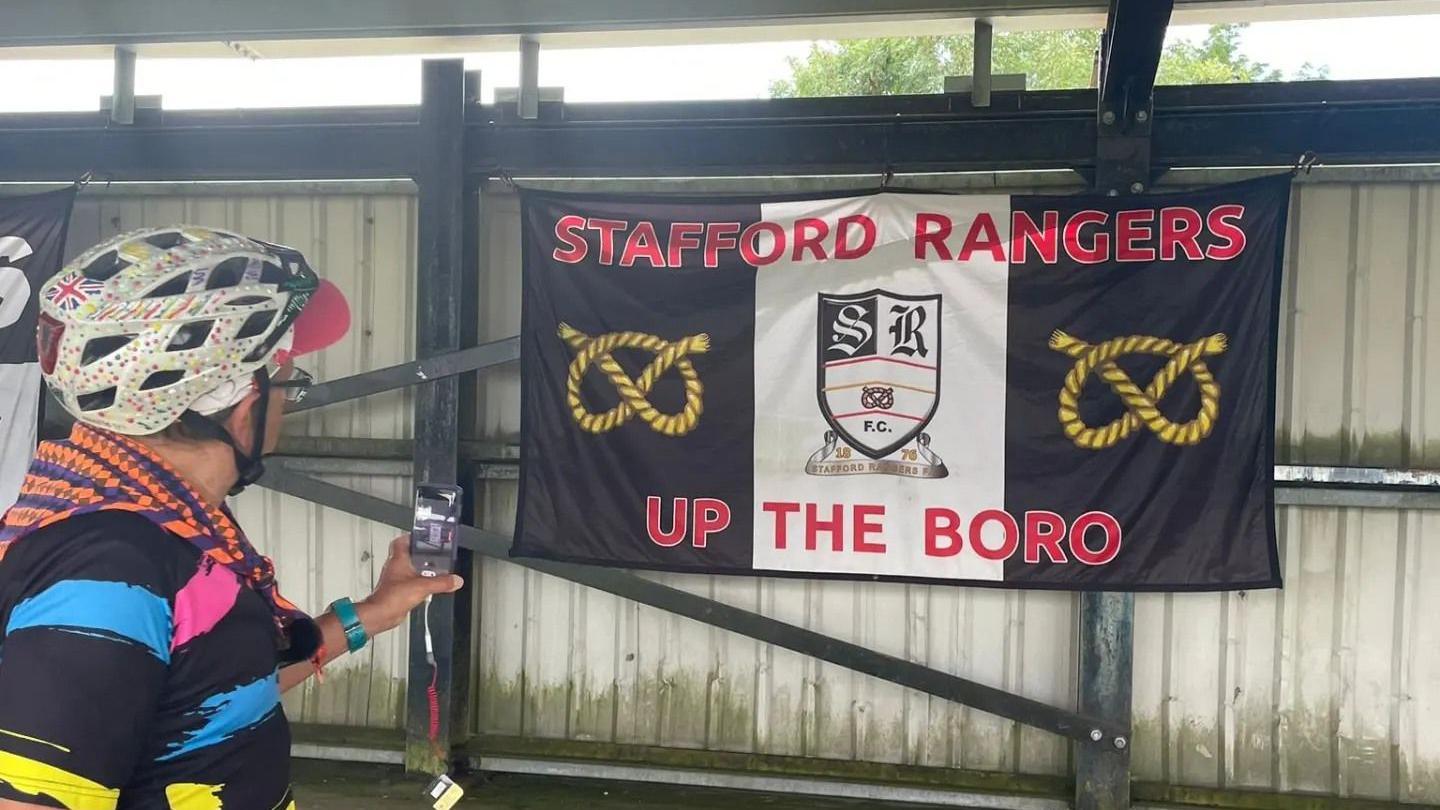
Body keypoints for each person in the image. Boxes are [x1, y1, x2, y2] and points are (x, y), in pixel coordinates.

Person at [0, 226, 461, 810]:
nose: (286, 403)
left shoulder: (169, 522)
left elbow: (213, 692)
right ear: (242, 403)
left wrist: (371, 613)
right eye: (288, 384)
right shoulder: (110, 572)